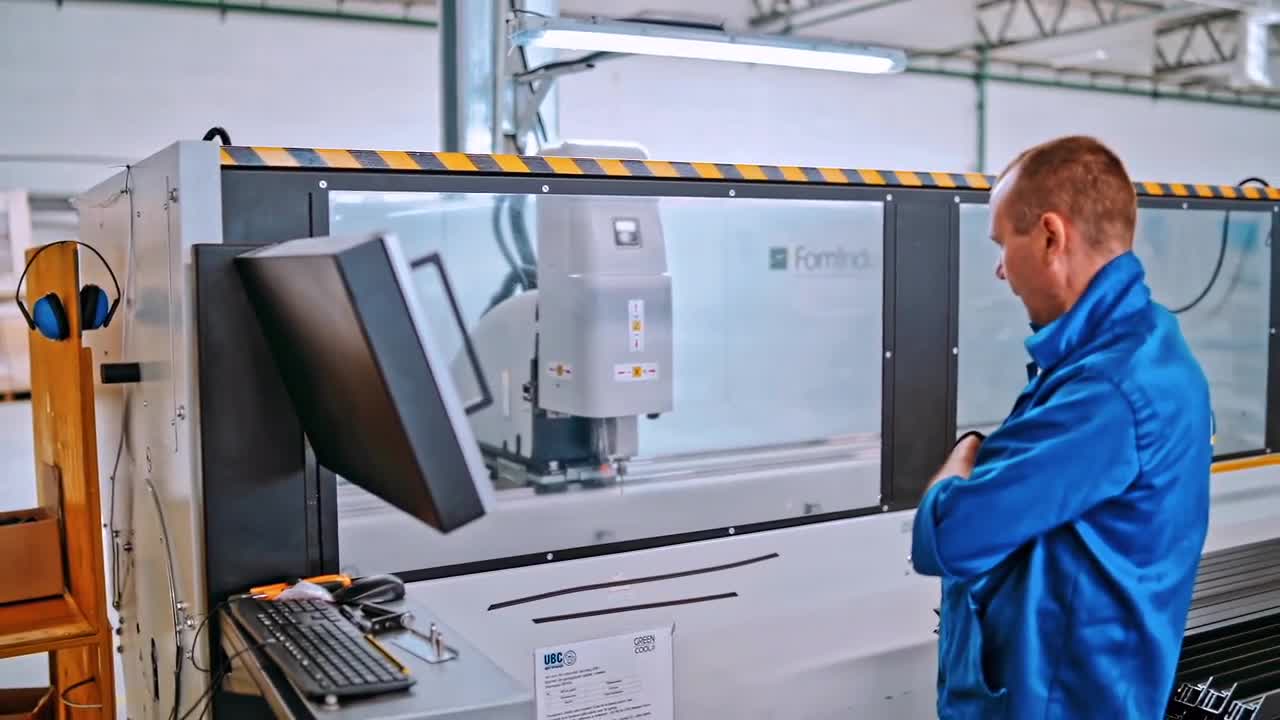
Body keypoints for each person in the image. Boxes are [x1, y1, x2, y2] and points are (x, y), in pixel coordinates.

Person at [911, 135, 1213, 719]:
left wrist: (965, 455)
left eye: (1004, 243)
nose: (1001, 270)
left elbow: (945, 538)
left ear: (1051, 235)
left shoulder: (1107, 390)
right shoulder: (1144, 347)